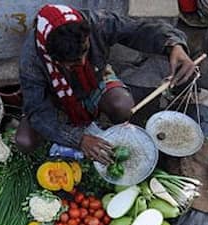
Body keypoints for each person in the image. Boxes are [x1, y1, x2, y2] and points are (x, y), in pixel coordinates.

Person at [16, 4, 195, 164]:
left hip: (95, 79)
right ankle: (71, 130)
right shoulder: (32, 59)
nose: (83, 60)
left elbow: (138, 29)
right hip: (55, 98)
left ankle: (115, 133)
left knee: (122, 106)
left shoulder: (96, 24)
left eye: (85, 52)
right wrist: (78, 139)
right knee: (25, 141)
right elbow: (38, 111)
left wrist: (174, 45)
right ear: (52, 57)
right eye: (72, 64)